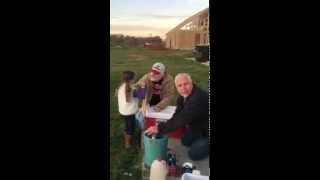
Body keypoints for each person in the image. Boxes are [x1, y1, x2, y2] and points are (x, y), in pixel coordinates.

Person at [145, 73, 209, 161]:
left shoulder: (199, 98)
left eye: (186, 84)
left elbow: (183, 118)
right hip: (199, 127)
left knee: (194, 154)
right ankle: (200, 141)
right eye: (180, 86)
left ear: (191, 83)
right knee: (185, 141)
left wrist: (159, 128)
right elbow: (177, 114)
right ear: (176, 87)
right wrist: (163, 127)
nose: (183, 88)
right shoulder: (182, 97)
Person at [116, 71, 139, 149]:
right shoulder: (133, 89)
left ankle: (126, 134)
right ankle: (127, 143)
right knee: (131, 128)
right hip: (130, 112)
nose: (136, 79)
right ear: (131, 80)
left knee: (127, 125)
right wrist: (142, 87)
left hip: (124, 111)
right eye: (134, 78)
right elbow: (142, 95)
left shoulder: (122, 87)